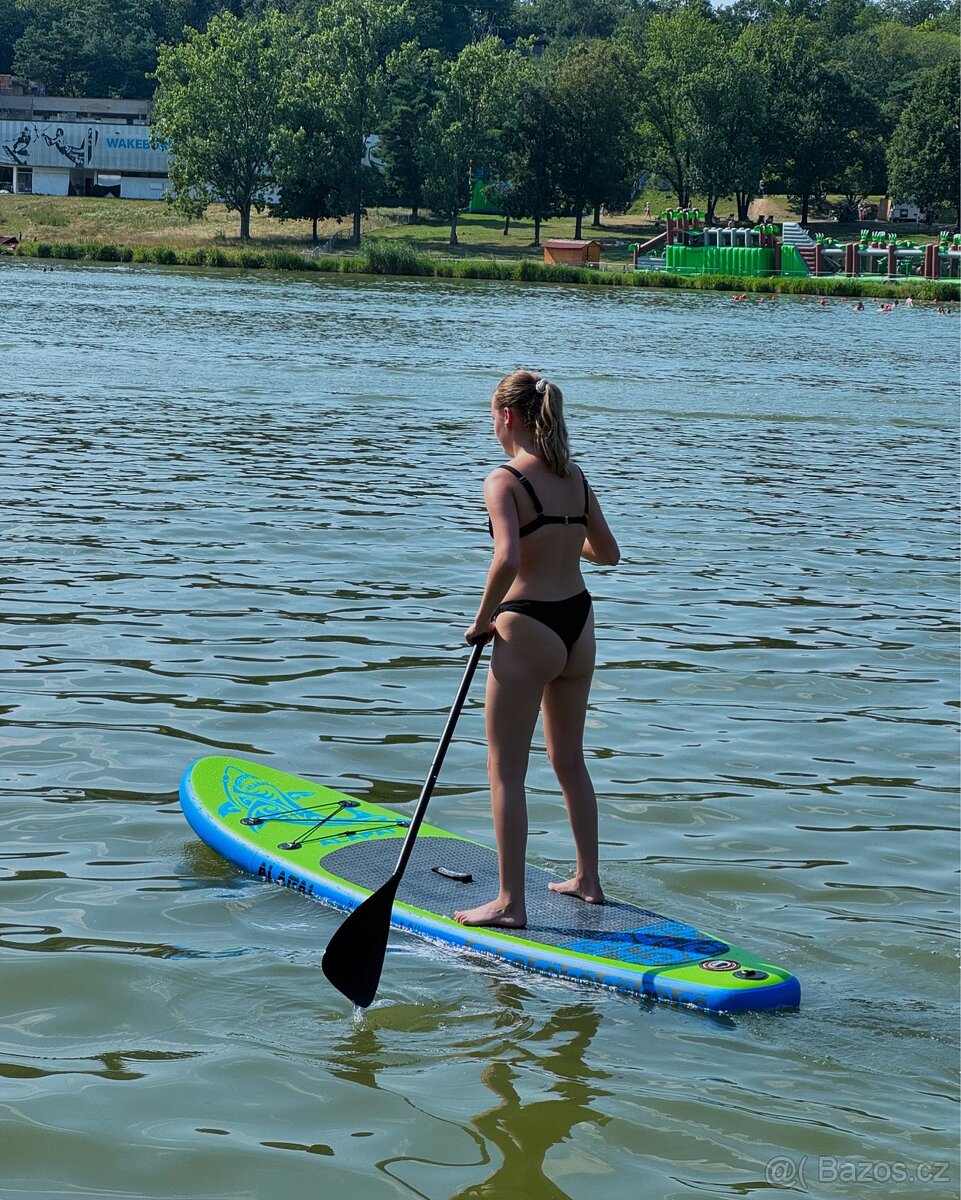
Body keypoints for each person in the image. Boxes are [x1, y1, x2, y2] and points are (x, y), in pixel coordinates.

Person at [456, 371, 620, 929]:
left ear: (507, 418)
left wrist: (481, 622)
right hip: (578, 623)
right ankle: (588, 881)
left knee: (505, 771)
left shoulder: (503, 481)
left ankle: (509, 903)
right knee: (569, 759)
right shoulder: (574, 476)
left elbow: (505, 559)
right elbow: (609, 552)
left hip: (527, 626)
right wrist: (560, 539)